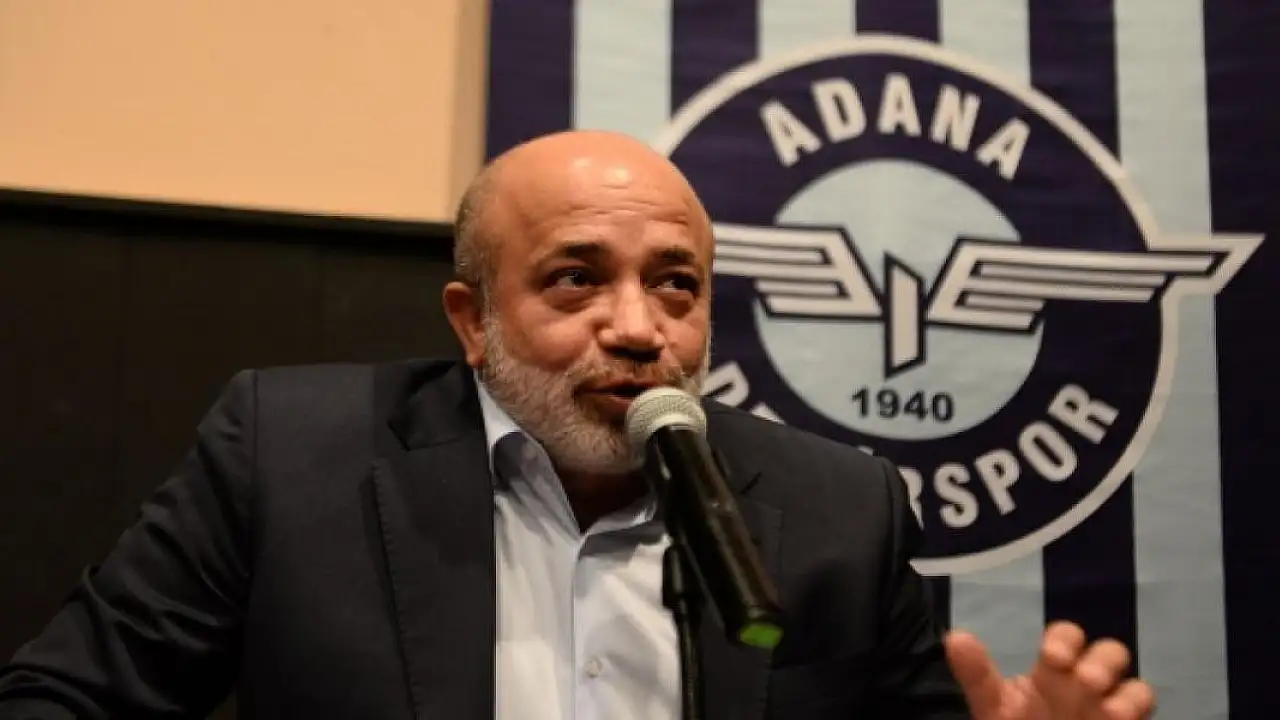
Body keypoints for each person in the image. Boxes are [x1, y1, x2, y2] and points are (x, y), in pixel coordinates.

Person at [0, 130, 1155, 719]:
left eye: (675, 285)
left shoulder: (836, 513)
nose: (639, 328)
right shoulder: (292, 454)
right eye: (574, 279)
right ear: (472, 321)